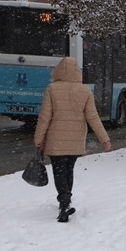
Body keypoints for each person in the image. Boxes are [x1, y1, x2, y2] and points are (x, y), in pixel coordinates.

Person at [33, 57, 112, 222]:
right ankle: (66, 200)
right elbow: (93, 117)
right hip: (76, 138)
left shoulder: (52, 89)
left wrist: (39, 138)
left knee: (59, 170)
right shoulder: (85, 91)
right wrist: (104, 139)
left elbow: (44, 117)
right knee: (68, 170)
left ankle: (64, 200)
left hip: (55, 138)